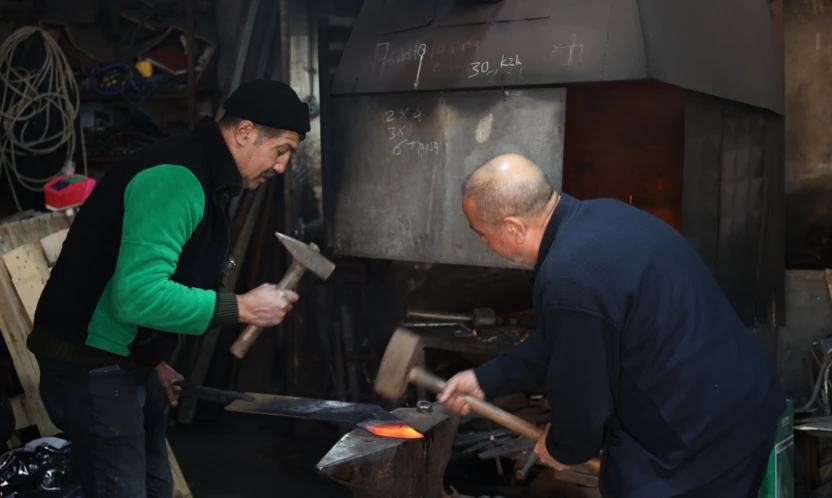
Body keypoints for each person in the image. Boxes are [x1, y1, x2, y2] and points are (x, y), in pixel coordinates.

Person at [438, 153, 786, 497]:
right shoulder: (601, 214)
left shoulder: (569, 275)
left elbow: (587, 400)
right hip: (741, 400)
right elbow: (562, 344)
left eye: (482, 233)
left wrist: (563, 446)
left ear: (513, 227)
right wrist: (486, 379)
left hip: (703, 439)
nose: (484, 243)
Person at [26, 79, 310, 498]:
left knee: (158, 487)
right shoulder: (177, 178)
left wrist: (152, 358)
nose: (281, 167)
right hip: (90, 366)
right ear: (245, 132)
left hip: (125, 358)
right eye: (281, 151)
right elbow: (137, 294)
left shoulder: (207, 175)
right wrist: (242, 308)